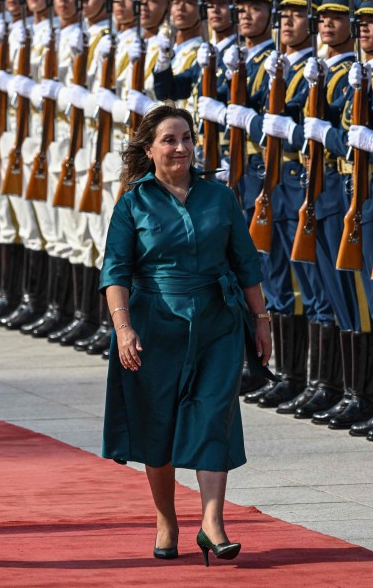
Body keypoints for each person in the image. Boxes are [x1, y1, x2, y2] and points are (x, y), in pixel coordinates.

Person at [99, 105, 272, 566]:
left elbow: (245, 261)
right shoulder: (133, 202)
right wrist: (124, 329)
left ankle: (212, 523)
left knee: (214, 415)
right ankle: (166, 520)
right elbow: (115, 270)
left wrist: (261, 319)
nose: (181, 148)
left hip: (218, 322)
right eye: (170, 140)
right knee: (159, 426)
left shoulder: (219, 197)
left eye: (187, 139)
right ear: (149, 149)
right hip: (156, 323)